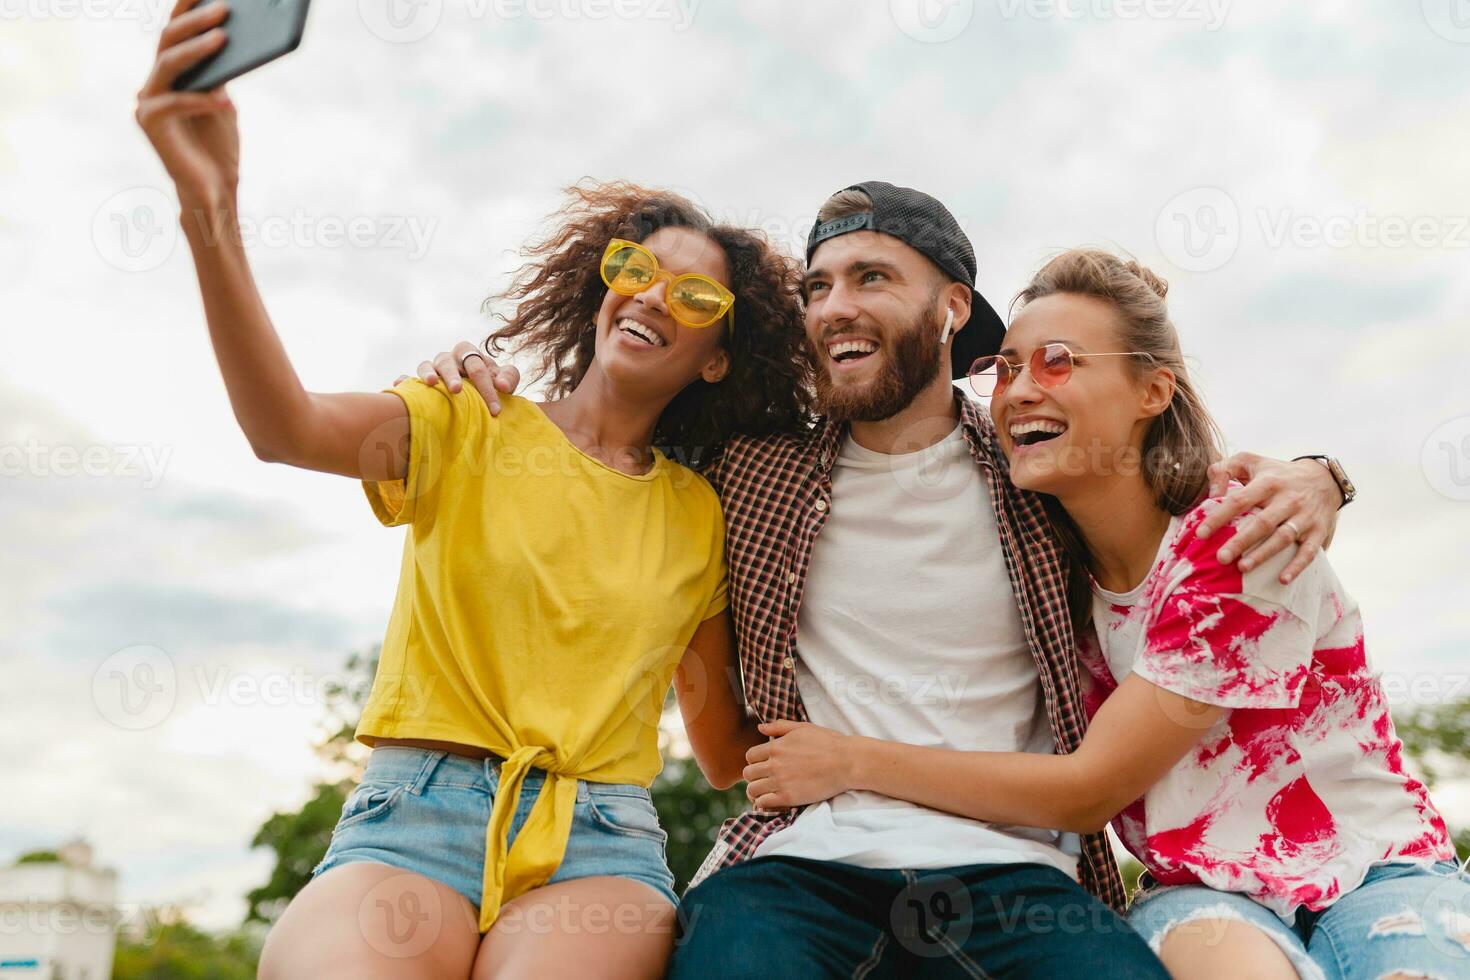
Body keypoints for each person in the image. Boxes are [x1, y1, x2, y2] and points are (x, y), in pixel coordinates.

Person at [419, 182, 1352, 977]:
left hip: (1017, 875)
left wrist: (1320, 473)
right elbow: (609, 424)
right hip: (800, 867)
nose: (834, 306)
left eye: (872, 277)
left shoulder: (1037, 472)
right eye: (817, 286)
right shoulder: (750, 472)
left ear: (952, 307)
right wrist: (468, 372)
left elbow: (1171, 481)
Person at [135, 6, 813, 978]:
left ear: (718, 360)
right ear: (600, 286)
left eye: (698, 298)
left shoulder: (698, 515)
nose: (657, 297)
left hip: (601, 843)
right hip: (410, 817)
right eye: (637, 268)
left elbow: (720, 751)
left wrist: (899, 768)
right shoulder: (466, 416)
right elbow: (279, 428)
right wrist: (212, 208)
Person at [741, 247, 1470, 980]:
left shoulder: (1237, 537)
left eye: (1057, 362)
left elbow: (1090, 790)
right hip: (1201, 895)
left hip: (1376, 870)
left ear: (1153, 391)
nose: (1020, 390)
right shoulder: (1049, 570)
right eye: (1006, 367)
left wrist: (849, 761)